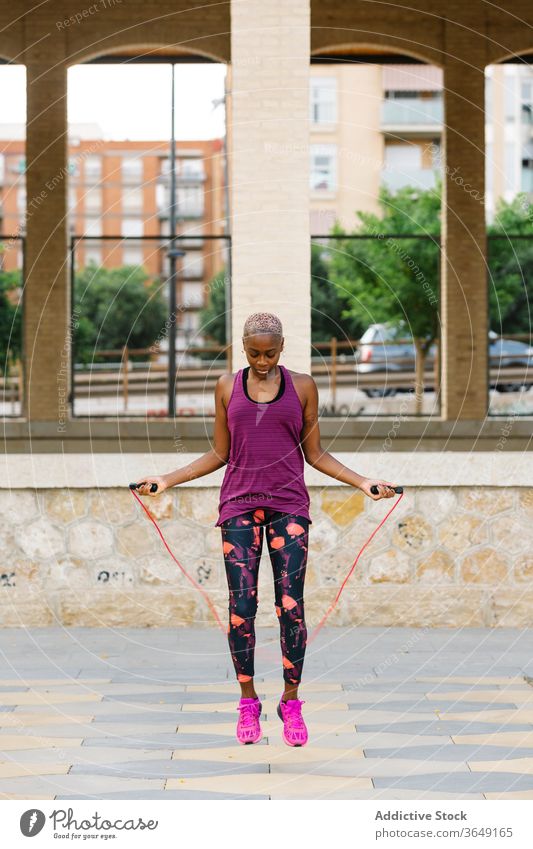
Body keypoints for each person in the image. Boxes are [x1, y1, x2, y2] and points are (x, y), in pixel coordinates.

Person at [133, 311, 398, 748]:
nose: (262, 360)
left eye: (270, 353)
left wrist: (363, 481)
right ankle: (248, 701)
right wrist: (167, 479)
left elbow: (316, 454)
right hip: (237, 509)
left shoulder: (303, 387)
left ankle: (291, 701)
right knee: (242, 608)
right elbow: (219, 453)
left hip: (289, 508)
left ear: (282, 348)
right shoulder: (226, 387)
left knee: (291, 608)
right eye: (254, 353)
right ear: (243, 348)